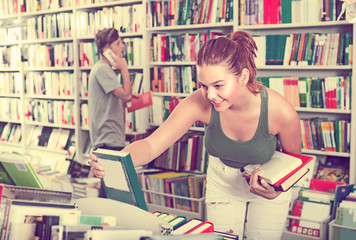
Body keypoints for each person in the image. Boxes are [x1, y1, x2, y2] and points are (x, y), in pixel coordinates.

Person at [89, 30, 301, 239]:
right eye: (203, 85)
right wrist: (116, 161)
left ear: (243, 77)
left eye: (218, 85)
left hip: (267, 184)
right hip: (223, 181)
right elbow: (152, 145)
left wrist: (277, 190)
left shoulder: (280, 111)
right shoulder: (199, 102)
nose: (210, 95)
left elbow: (295, 162)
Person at [88, 27, 132, 151]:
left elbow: (119, 99)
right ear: (107, 50)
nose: (122, 46)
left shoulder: (104, 69)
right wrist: (124, 67)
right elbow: (127, 95)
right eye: (118, 43)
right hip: (108, 139)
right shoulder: (102, 69)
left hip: (110, 138)